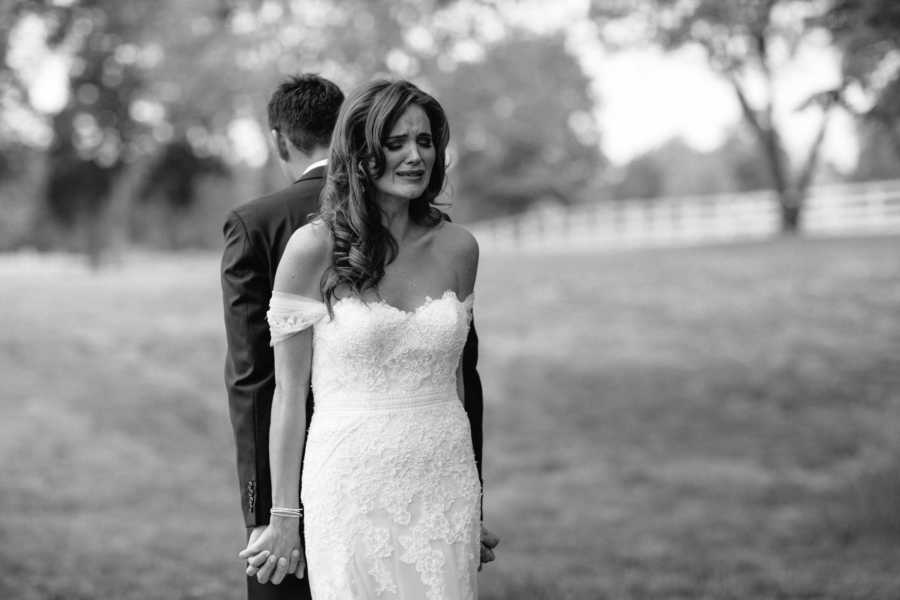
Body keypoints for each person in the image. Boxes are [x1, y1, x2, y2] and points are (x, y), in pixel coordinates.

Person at [238, 79, 497, 599]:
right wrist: (284, 515)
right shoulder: (311, 248)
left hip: (445, 483)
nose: (414, 156)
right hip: (349, 484)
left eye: (424, 142)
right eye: (395, 142)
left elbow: (458, 383)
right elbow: (288, 395)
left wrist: (475, 499)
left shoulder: (460, 248)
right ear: (360, 152)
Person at [221, 74, 342, 600]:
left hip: (292, 465)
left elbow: (253, 375)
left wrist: (264, 509)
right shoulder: (399, 215)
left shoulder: (256, 223)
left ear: (279, 140)